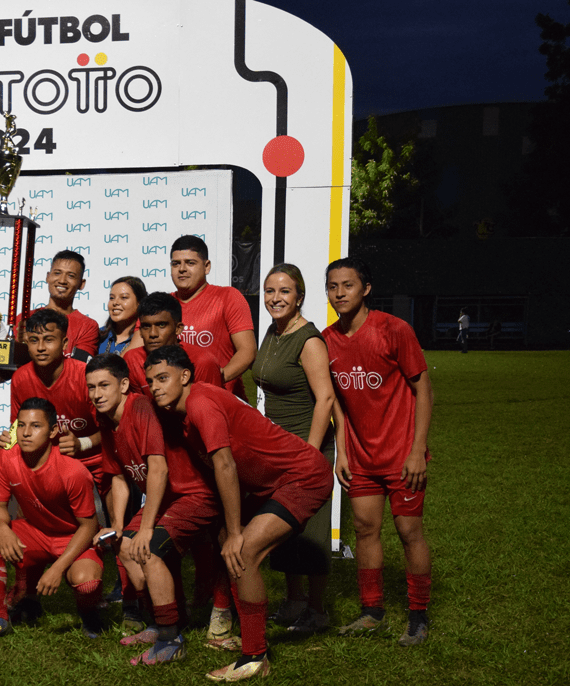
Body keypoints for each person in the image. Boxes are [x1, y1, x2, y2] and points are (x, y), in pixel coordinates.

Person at [145, 346, 331, 681]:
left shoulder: (200, 403)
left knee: (243, 550)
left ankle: (254, 656)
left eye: (162, 378)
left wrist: (235, 531)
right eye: (151, 381)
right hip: (271, 485)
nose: (155, 386)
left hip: (304, 478)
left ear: (185, 376)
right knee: (229, 547)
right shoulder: (184, 411)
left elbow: (226, 465)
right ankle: (242, 637)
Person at [324, 257, 433, 647]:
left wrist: (417, 450)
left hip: (402, 455)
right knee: (366, 531)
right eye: (333, 286)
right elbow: (334, 400)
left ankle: (418, 617)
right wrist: (342, 451)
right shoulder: (327, 339)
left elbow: (424, 390)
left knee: (408, 532)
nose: (339, 293)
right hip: (361, 460)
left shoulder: (393, 329)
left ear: (365, 289)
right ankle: (372, 613)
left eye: (348, 285)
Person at [86, 353, 221, 666]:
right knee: (124, 545)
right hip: (168, 500)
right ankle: (159, 621)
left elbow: (157, 470)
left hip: (194, 495)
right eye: (92, 387)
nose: (97, 394)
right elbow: (118, 476)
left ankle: (171, 638)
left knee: (149, 550)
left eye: (104, 385)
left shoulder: (141, 407)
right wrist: (117, 525)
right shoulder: (105, 418)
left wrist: (146, 528)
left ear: (123, 385)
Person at [0, 398, 103, 643]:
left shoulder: (73, 471)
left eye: (35, 426)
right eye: (21, 425)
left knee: (87, 584)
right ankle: (0, 617)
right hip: (36, 532)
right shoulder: (5, 459)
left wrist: (57, 569)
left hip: (72, 537)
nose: (26, 433)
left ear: (53, 431)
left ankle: (88, 612)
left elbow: (89, 526)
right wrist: (4, 529)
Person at [252, 264, 338, 633]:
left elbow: (325, 399)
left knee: (312, 531)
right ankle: (293, 601)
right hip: (279, 448)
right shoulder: (272, 332)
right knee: (285, 526)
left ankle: (318, 611)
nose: (276, 298)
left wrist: (310, 452)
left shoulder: (309, 340)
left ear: (300, 296)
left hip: (309, 445)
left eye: (284, 291)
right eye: (270, 291)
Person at [0, 308, 104, 489]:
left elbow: (112, 430)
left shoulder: (85, 375)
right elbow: (18, 426)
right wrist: (10, 439)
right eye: (34, 340)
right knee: (5, 457)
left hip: (93, 463)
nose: (40, 348)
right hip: (47, 465)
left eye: (48, 340)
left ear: (64, 344)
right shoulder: (20, 378)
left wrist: (82, 443)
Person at [170, 235, 256, 400]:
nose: (182, 269)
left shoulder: (228, 297)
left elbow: (247, 351)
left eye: (190, 263)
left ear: (206, 266)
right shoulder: (163, 305)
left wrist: (215, 378)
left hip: (221, 402)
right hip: (177, 404)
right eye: (176, 263)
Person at [123, 292, 224, 396]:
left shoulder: (203, 362)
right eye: (146, 326)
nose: (153, 334)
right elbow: (140, 408)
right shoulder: (132, 360)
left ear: (178, 328)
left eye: (161, 325)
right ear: (140, 331)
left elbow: (212, 408)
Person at [30, 250, 99, 357]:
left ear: (81, 284)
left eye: (71, 276)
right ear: (48, 276)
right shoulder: (25, 318)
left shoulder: (88, 327)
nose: (62, 280)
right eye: (57, 273)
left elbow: (79, 368)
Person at [99, 276, 147, 355]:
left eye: (124, 297)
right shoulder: (98, 335)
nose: (115, 302)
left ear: (140, 302)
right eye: (112, 298)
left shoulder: (146, 337)